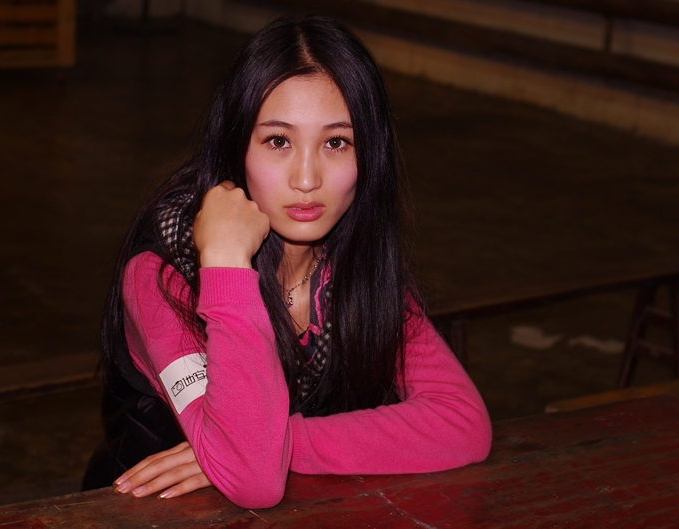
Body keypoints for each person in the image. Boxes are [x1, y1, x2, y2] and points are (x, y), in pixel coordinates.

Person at [82, 15, 492, 509]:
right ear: (237, 144)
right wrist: (226, 263)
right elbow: (255, 479)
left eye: (336, 142)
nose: (306, 179)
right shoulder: (163, 271)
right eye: (278, 141)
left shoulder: (353, 262)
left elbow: (463, 423)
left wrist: (287, 443)